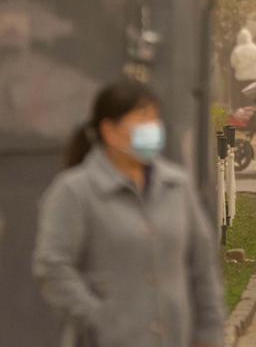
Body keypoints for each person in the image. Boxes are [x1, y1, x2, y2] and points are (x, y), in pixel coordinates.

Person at [33, 79, 224, 347]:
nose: (153, 129)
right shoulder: (74, 191)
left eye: (155, 119)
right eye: (143, 119)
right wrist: (99, 317)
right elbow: (52, 266)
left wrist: (209, 334)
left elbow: (202, 266)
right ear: (110, 131)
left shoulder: (176, 186)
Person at [230, 28, 256, 105]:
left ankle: (243, 112)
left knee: (242, 97)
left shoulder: (236, 49)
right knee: (253, 97)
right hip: (253, 76)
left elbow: (233, 63)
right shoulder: (254, 48)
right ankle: (253, 112)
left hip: (241, 77)